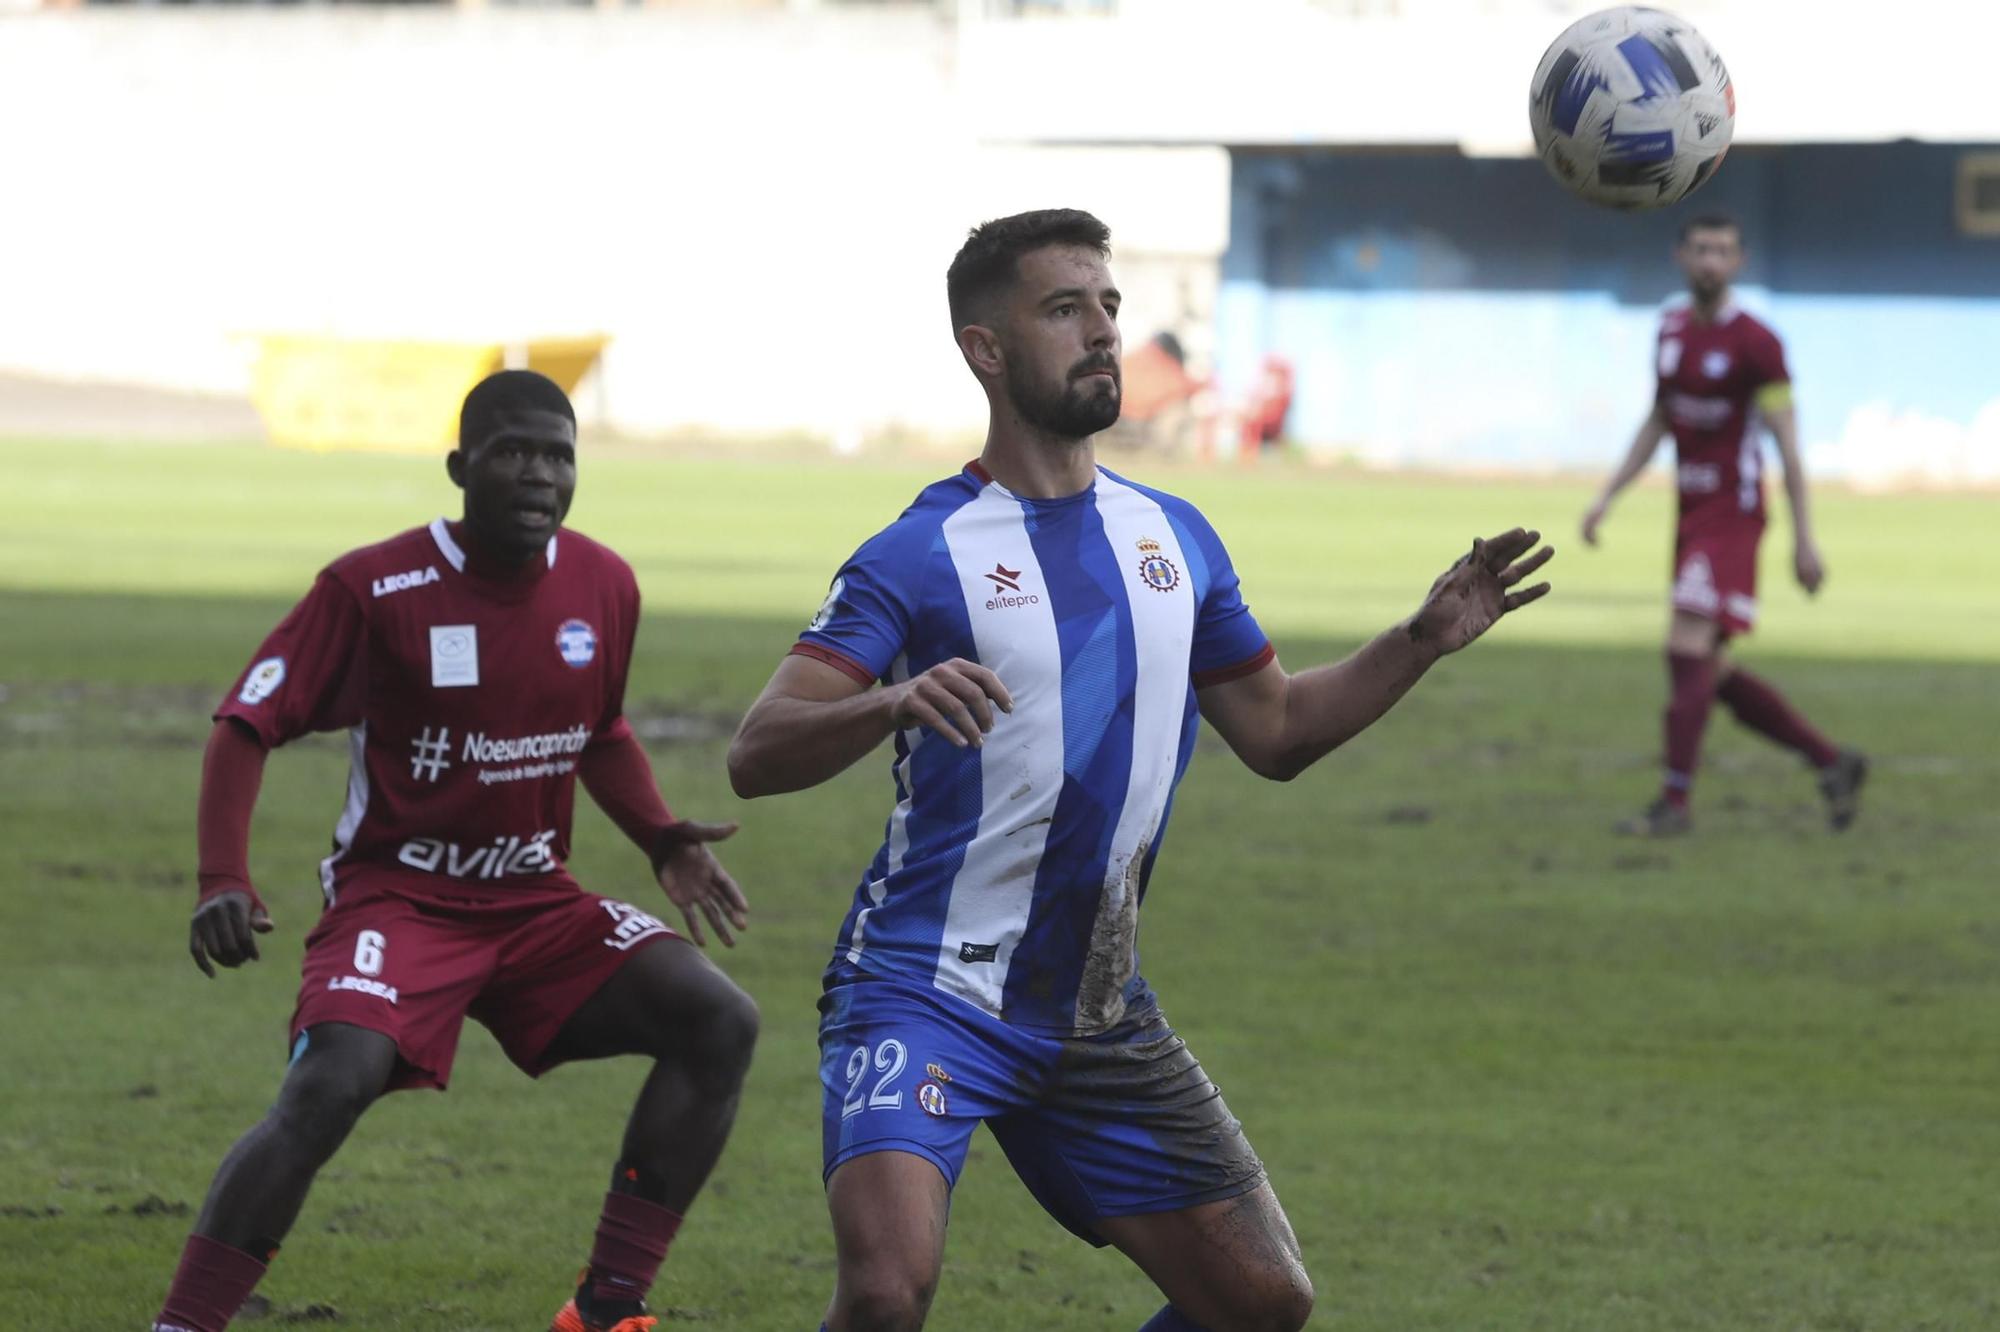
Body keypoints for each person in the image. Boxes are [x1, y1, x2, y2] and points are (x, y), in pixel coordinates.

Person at [726, 209, 1555, 1332]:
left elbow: (1274, 731)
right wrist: (889, 698)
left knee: (1261, 1303)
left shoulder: (1174, 536)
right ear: (985, 348)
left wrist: (1415, 642)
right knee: (884, 1292)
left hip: (1093, 1007)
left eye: (1108, 306)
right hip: (924, 988)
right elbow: (756, 751)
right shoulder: (917, 554)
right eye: (1063, 309)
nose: (1103, 332)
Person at [152, 370, 759, 1332]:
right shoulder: (372, 588)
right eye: (514, 452)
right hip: (398, 905)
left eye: (558, 456)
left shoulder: (604, 584)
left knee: (719, 1021)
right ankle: (184, 1323)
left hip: (534, 905)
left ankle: (607, 1308)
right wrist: (222, 877)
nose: (538, 476)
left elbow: (598, 727)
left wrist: (657, 836)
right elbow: (245, 722)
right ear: (460, 467)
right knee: (330, 1083)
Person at [1582, 214, 1866, 837]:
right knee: (1708, 668)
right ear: (1681, 255)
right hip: (1689, 515)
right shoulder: (1670, 330)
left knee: (1684, 648)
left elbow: (1787, 445)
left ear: (1738, 263)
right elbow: (1659, 419)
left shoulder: (1758, 344)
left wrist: (1804, 540)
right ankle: (1832, 761)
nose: (1712, 261)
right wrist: (1608, 496)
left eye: (1724, 251)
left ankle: (1674, 806)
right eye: (1702, 249)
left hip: (1733, 517)